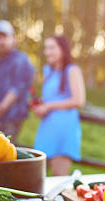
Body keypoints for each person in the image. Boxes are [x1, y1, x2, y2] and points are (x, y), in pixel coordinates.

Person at [32, 35, 85, 176]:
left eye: (52, 48)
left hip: (64, 129)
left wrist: (49, 106)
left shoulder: (72, 70)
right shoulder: (48, 72)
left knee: (58, 177)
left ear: (63, 49)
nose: (47, 52)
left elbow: (79, 100)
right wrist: (41, 105)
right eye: (46, 48)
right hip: (46, 128)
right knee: (36, 176)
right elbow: (52, 97)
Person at [0, 20, 34, 143]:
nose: (1, 41)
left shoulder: (21, 61)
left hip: (11, 118)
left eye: (4, 37)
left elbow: (13, 94)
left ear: (13, 39)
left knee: (3, 153)